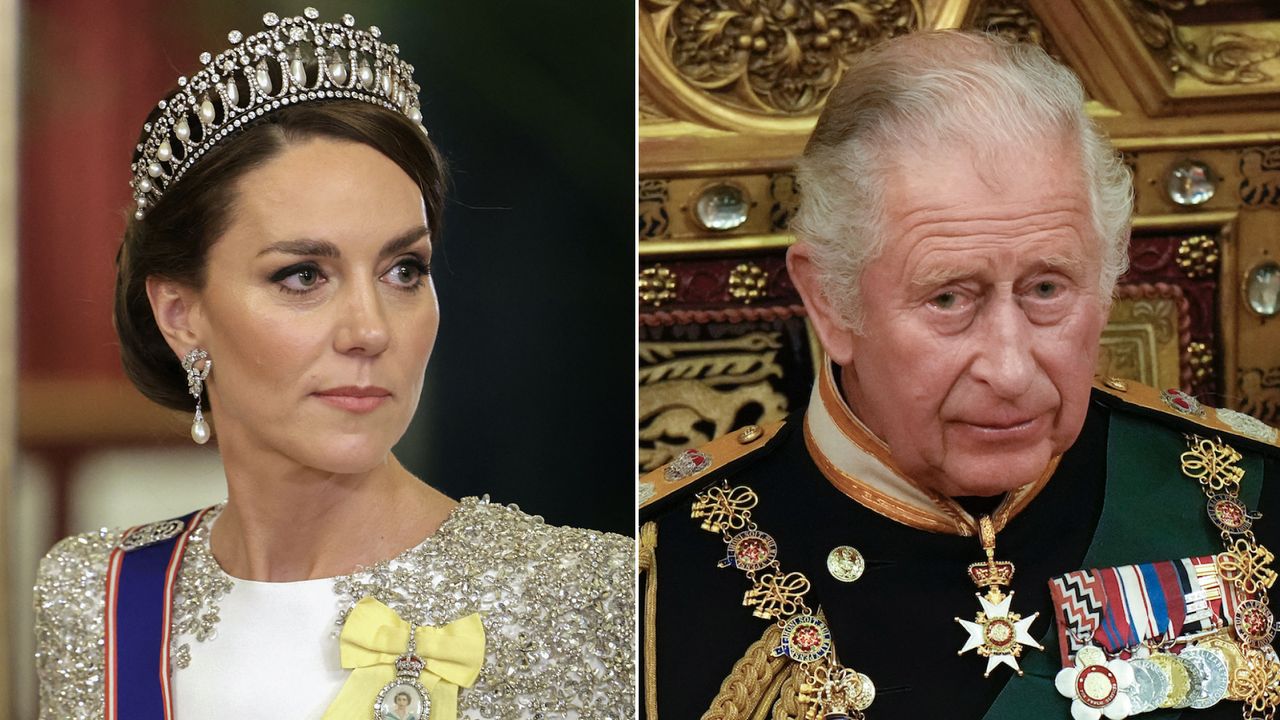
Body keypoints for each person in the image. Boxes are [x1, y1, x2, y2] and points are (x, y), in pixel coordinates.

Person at [640, 31, 1280, 720]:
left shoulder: (1250, 499)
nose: (1008, 369)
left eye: (1046, 289)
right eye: (948, 298)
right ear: (829, 299)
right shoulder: (655, 578)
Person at [34, 9, 633, 719]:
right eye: (302, 276)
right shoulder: (95, 596)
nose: (370, 330)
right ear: (180, 315)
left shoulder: (588, 599)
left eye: (404, 270)